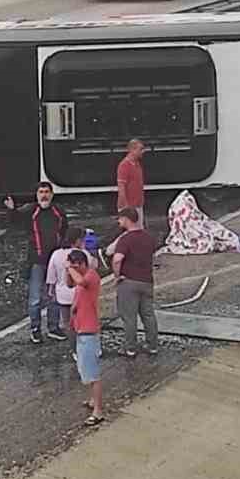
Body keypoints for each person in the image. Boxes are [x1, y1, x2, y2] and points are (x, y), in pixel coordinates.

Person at [5, 181, 69, 344]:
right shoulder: (30, 211)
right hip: (36, 261)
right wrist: (11, 209)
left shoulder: (59, 212)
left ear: (52, 194)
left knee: (54, 296)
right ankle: (35, 329)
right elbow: (15, 221)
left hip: (54, 261)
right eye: (41, 192)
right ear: (37, 194)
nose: (44, 195)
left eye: (47, 192)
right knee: (35, 298)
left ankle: (53, 328)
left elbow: (64, 233)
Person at [109, 206, 160, 357]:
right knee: (148, 315)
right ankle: (152, 345)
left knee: (129, 317)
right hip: (147, 281)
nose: (119, 221)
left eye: (120, 219)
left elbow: (117, 259)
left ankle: (130, 348)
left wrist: (117, 276)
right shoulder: (148, 237)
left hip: (129, 282)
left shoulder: (125, 239)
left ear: (126, 219)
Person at [67, 247, 104, 425]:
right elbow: (70, 284)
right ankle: (92, 401)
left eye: (76, 266)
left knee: (93, 373)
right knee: (85, 369)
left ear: (82, 264)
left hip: (89, 330)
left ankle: (98, 410)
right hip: (80, 328)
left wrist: (70, 269)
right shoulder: (80, 277)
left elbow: (80, 281)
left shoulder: (91, 276)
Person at [45, 231, 81, 342]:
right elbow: (94, 265)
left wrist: (51, 290)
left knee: (68, 323)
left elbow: (51, 275)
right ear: (77, 240)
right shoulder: (81, 253)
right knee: (82, 321)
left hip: (63, 294)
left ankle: (74, 348)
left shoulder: (56, 254)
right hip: (79, 294)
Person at [116, 138, 146, 215]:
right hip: (128, 207)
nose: (143, 151)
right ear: (132, 150)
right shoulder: (124, 165)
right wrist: (126, 207)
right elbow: (121, 187)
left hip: (138, 205)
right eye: (140, 149)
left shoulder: (137, 164)